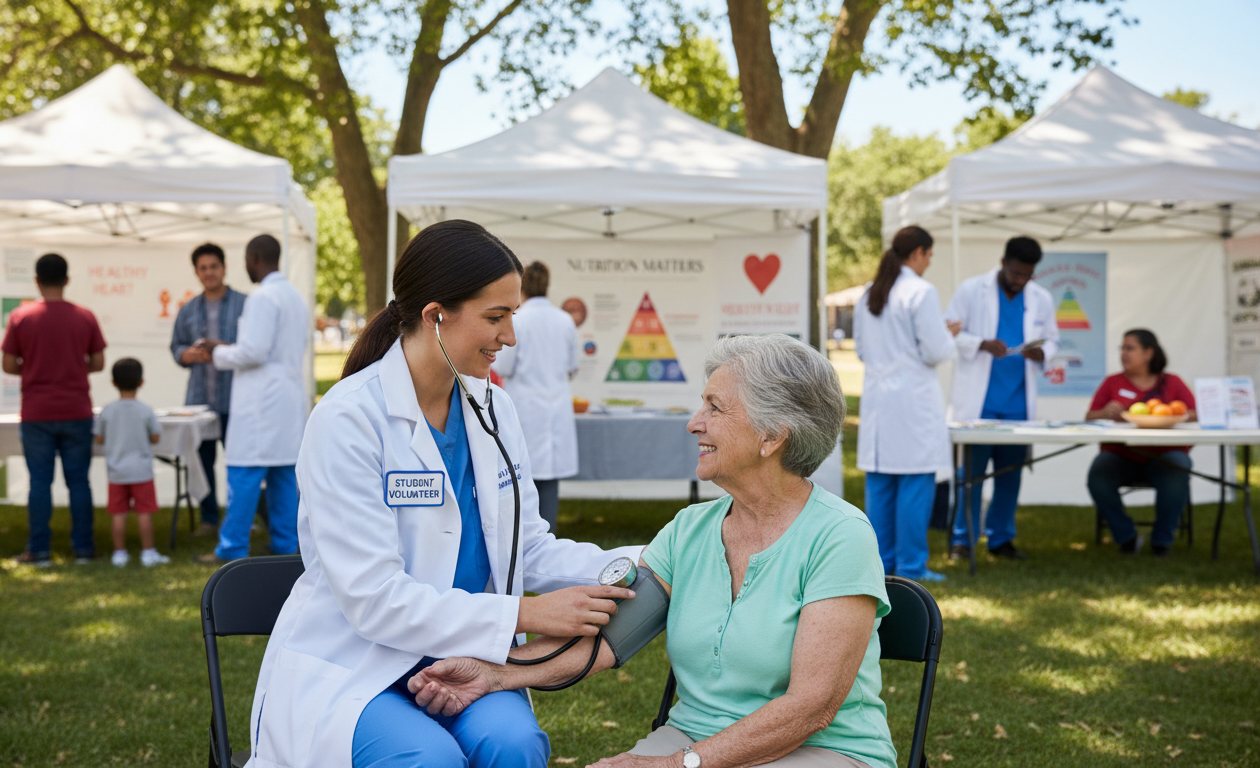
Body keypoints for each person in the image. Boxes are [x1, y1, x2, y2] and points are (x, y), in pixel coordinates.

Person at [245, 220, 643, 768]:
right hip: (361, 663)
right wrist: (526, 614)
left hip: (465, 655)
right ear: (436, 317)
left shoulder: (494, 411)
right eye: (495, 317)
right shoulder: (348, 419)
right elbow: (374, 599)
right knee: (428, 758)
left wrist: (652, 559)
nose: (510, 337)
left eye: (513, 317)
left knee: (515, 743)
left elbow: (527, 548)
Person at [408, 334, 895, 768]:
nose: (693, 423)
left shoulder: (840, 537)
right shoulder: (690, 529)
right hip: (693, 740)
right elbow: (603, 641)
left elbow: (812, 707)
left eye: (715, 408)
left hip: (822, 750)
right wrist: (493, 674)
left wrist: (677, 765)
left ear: (772, 436)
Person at [192, 235, 308, 564]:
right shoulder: (294, 297)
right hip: (285, 399)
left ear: (254, 258)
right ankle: (286, 546)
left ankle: (232, 547)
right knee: (284, 478)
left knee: (244, 477)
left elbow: (253, 352)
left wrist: (218, 350)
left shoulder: (263, 297)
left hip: (261, 403)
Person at [944, 236, 1058, 562]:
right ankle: (962, 539)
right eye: (1015, 273)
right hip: (979, 402)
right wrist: (980, 343)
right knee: (971, 475)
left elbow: (1053, 339)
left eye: (1027, 275)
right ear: (1004, 261)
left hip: (1019, 401)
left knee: (1010, 475)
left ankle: (1001, 538)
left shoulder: (1042, 298)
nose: (1020, 280)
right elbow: (948, 330)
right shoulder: (971, 289)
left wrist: (1042, 351)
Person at [854, 226, 956, 582]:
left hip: (880, 401)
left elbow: (862, 350)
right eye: (929, 255)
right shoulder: (921, 291)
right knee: (915, 484)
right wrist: (948, 335)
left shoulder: (870, 292)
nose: (929, 262)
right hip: (912, 402)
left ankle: (881, 564)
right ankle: (912, 566)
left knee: (881, 485)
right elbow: (935, 350)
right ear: (918, 253)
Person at [2, 253, 107, 566]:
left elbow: (8, 364)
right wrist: (74, 367)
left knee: (39, 483)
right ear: (66, 280)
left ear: (36, 280)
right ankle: (84, 548)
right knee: (79, 482)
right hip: (76, 408)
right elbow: (99, 362)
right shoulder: (84, 316)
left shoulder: (21, 317)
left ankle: (39, 549)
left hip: (37, 411)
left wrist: (33, 369)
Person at [1085, 330, 1197, 556]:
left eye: (1130, 348)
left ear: (1148, 353)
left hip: (1165, 455)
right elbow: (1089, 417)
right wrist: (1105, 413)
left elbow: (1195, 413)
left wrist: (1168, 417)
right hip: (1121, 455)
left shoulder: (1172, 382)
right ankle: (1126, 536)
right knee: (1098, 475)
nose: (1123, 353)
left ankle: (1161, 542)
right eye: (1122, 348)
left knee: (1178, 466)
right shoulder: (1112, 382)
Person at [492, 261, 579, 533]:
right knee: (549, 482)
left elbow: (503, 367)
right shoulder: (564, 320)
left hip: (525, 409)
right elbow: (572, 367)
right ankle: (547, 537)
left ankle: (521, 538)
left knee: (520, 478)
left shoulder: (519, 319)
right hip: (555, 410)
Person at [169, 242, 248, 535]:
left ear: (224, 268)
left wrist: (224, 350)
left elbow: (252, 348)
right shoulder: (188, 309)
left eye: (213, 266)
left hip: (236, 398)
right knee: (201, 462)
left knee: (239, 464)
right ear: (196, 272)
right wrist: (185, 355)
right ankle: (208, 519)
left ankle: (241, 519)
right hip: (200, 401)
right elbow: (176, 346)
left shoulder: (245, 303)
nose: (209, 272)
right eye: (203, 268)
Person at [93, 358, 169, 567]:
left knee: (118, 514)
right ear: (141, 382)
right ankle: (148, 552)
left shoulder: (108, 410)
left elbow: (99, 437)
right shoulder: (145, 410)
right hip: (142, 471)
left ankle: (119, 553)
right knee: (144, 513)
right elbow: (155, 437)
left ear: (113, 382)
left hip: (116, 472)